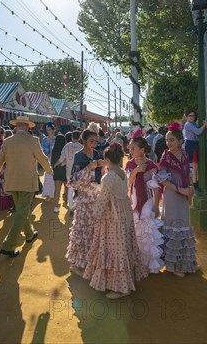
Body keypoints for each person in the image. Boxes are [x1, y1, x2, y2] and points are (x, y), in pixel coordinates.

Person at [78, 143, 148, 299]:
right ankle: (124, 283)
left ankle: (121, 288)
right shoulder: (122, 172)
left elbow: (103, 201)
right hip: (125, 214)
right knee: (124, 246)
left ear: (107, 159)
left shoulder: (108, 177)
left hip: (113, 218)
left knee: (116, 250)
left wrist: (94, 216)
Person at [0, 117, 52, 256]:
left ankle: (29, 233)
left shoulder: (8, 142)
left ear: (16, 127)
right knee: (22, 211)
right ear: (28, 127)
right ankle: (8, 245)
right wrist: (51, 172)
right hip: (28, 182)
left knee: (22, 210)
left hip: (11, 182)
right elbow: (42, 159)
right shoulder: (33, 141)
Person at [158, 123, 197, 277]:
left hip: (184, 194)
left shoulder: (185, 154)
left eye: (172, 140)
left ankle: (184, 263)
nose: (169, 143)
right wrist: (180, 190)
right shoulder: (166, 156)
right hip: (172, 195)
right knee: (173, 224)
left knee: (183, 224)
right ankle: (172, 266)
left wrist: (191, 187)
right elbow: (162, 179)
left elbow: (188, 173)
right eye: (168, 140)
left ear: (181, 141)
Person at [125, 136, 164, 273]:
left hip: (147, 201)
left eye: (133, 148)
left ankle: (149, 264)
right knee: (135, 229)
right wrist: (136, 171)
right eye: (129, 147)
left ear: (142, 150)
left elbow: (156, 188)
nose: (130, 150)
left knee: (147, 229)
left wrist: (156, 205)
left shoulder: (152, 165)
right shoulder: (130, 164)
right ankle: (138, 262)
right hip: (134, 201)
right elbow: (128, 183)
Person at [67, 129, 103, 273]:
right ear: (84, 141)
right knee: (82, 231)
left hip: (97, 197)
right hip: (83, 198)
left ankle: (92, 262)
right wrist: (89, 167)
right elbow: (73, 181)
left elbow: (101, 178)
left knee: (95, 231)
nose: (94, 144)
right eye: (91, 141)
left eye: (96, 141)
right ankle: (78, 264)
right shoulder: (79, 156)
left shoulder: (98, 155)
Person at [55, 130, 83, 212]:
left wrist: (55, 164)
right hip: (80, 172)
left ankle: (71, 207)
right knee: (79, 190)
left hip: (69, 172)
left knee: (70, 190)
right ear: (79, 137)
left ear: (71, 137)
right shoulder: (82, 147)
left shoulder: (67, 146)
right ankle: (79, 207)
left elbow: (61, 159)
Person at [182, 109, 207, 188]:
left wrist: (205, 126)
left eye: (193, 115)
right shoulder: (188, 124)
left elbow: (201, 132)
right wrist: (204, 125)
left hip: (195, 144)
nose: (192, 117)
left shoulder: (193, 123)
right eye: (190, 116)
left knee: (197, 166)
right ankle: (195, 184)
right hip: (191, 145)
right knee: (195, 166)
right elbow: (198, 132)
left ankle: (197, 182)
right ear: (186, 117)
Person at [0, 127, 14, 211]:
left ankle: (7, 203)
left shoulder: (5, 143)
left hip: (4, 166)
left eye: (1, 132)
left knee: (4, 184)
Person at [50, 134, 67, 213]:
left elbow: (52, 162)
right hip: (65, 171)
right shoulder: (66, 149)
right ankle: (66, 201)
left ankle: (56, 207)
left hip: (57, 171)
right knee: (66, 188)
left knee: (57, 190)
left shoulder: (54, 149)